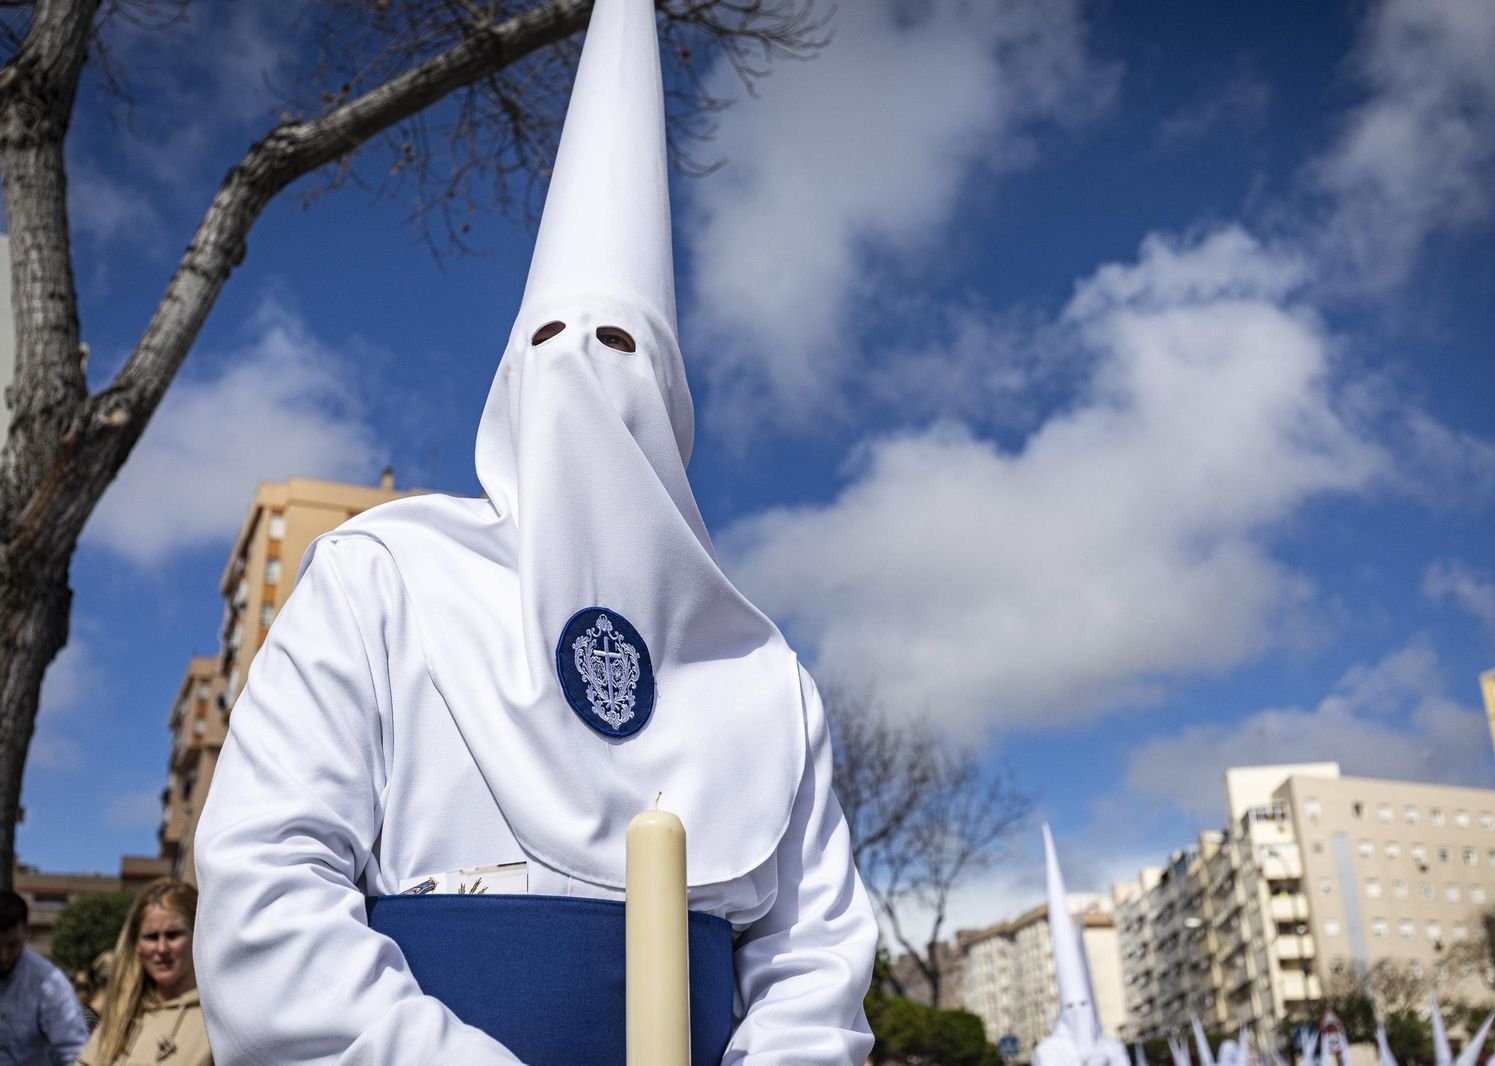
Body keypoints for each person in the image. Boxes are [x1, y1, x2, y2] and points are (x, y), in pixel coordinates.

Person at [193, 0, 876, 1063]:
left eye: (622, 347)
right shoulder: (382, 576)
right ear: (510, 384)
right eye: (554, 341)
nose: (586, 375)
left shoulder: (763, 676)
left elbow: (812, 965)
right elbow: (268, 883)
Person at [75, 879, 211, 1066]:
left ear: (198, 935)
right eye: (151, 937)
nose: (162, 948)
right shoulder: (121, 1017)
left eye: (173, 935)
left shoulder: (217, 1021)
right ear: (136, 945)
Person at [0, 889, 86, 1065]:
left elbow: (74, 1051)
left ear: (26, 933)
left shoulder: (49, 983)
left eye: (12, 945)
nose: (3, 956)